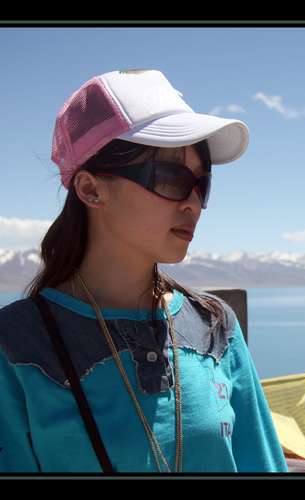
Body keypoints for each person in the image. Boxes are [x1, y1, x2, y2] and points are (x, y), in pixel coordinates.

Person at [0, 69, 289, 474]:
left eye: (201, 185)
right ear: (90, 189)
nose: (192, 203)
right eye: (170, 178)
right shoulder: (16, 346)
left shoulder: (214, 326)